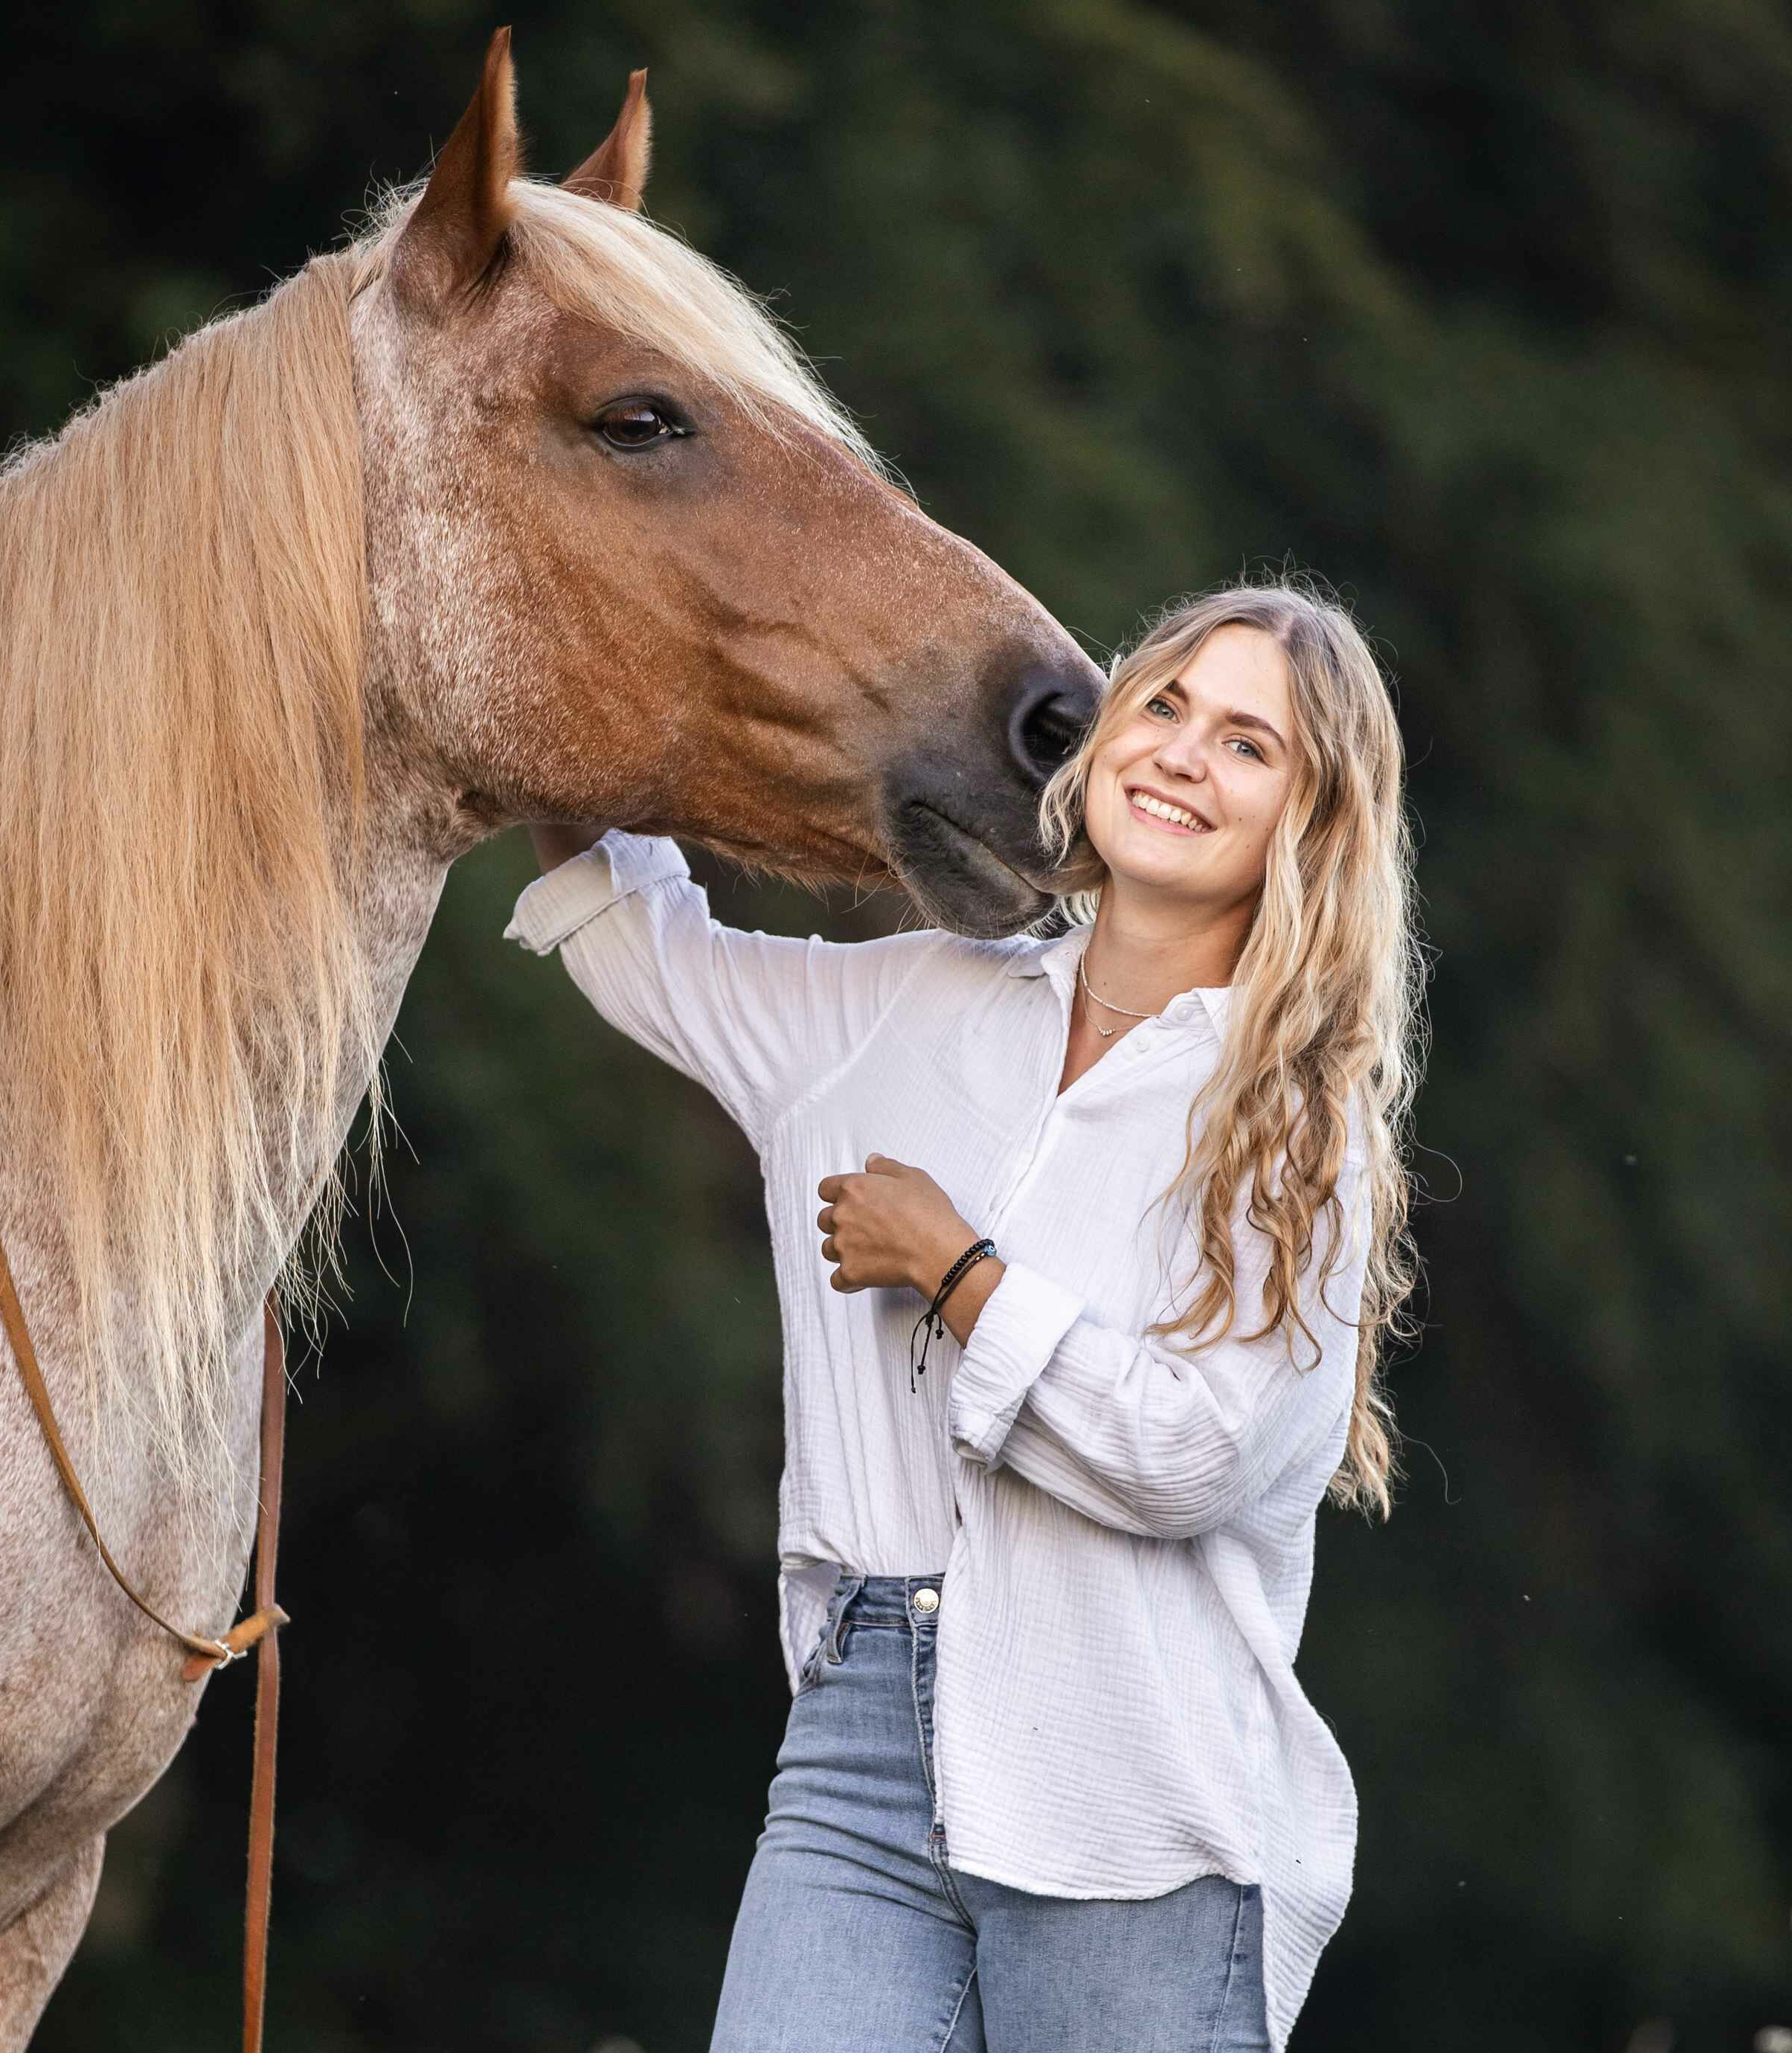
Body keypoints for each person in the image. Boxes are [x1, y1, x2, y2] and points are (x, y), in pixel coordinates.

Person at [507, 579, 1424, 2052]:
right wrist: (545, 665)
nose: (1184, 754)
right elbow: (641, 940)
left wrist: (962, 1275)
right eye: (1165, 704)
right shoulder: (908, 1004)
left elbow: (1194, 1455)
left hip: (1132, 1786)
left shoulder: (1300, 1134)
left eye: (1248, 745)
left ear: (1308, 825)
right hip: (860, 1743)